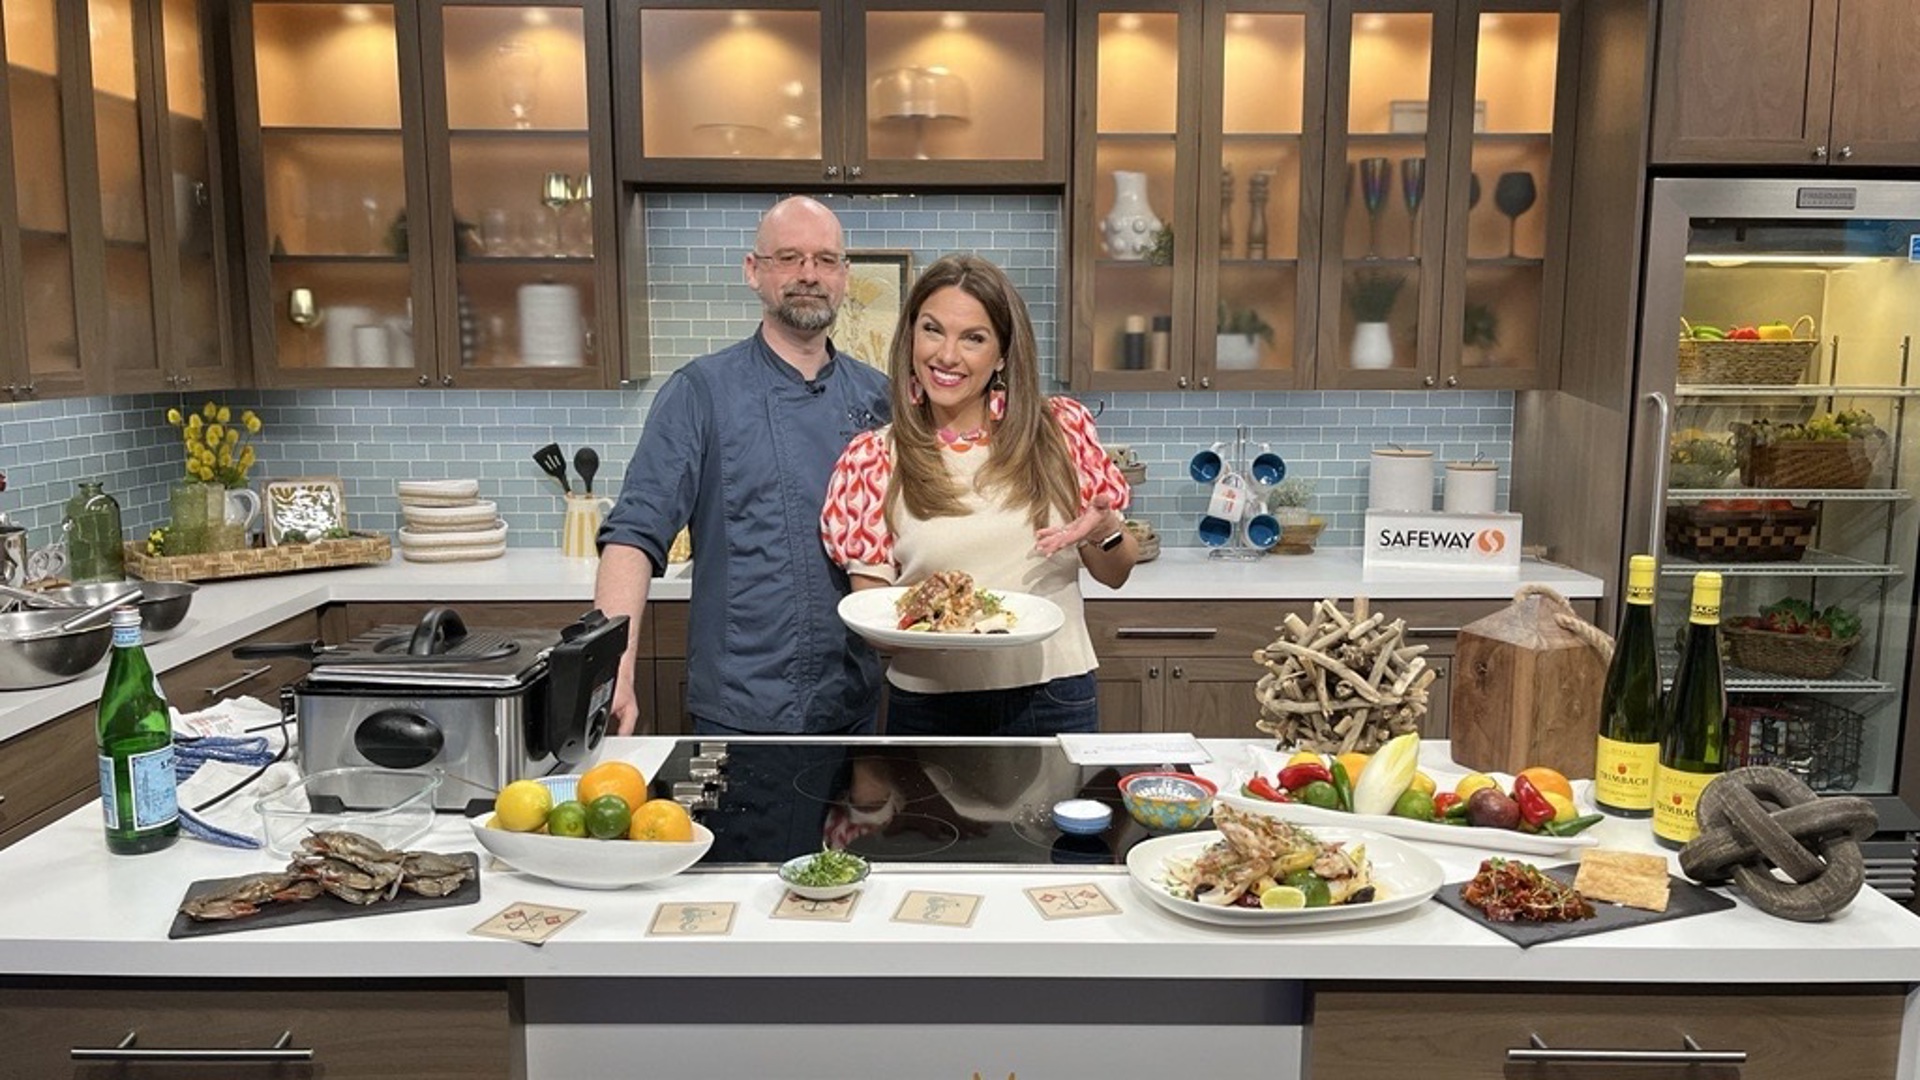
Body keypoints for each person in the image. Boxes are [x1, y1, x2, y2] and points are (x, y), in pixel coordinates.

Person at [596, 196, 891, 737]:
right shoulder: (700, 392)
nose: (809, 274)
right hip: (740, 709)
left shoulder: (879, 398)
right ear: (753, 271)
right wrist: (614, 669)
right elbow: (634, 536)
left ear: (845, 277)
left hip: (854, 704)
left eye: (826, 260)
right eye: (788, 257)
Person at [820, 253, 1137, 736]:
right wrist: (948, 620)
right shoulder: (874, 459)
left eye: (974, 338)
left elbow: (1114, 575)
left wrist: (1108, 530)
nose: (947, 356)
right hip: (930, 705)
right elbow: (877, 621)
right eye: (932, 330)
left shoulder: (1058, 433)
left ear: (1003, 354)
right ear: (910, 340)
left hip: (1054, 695)